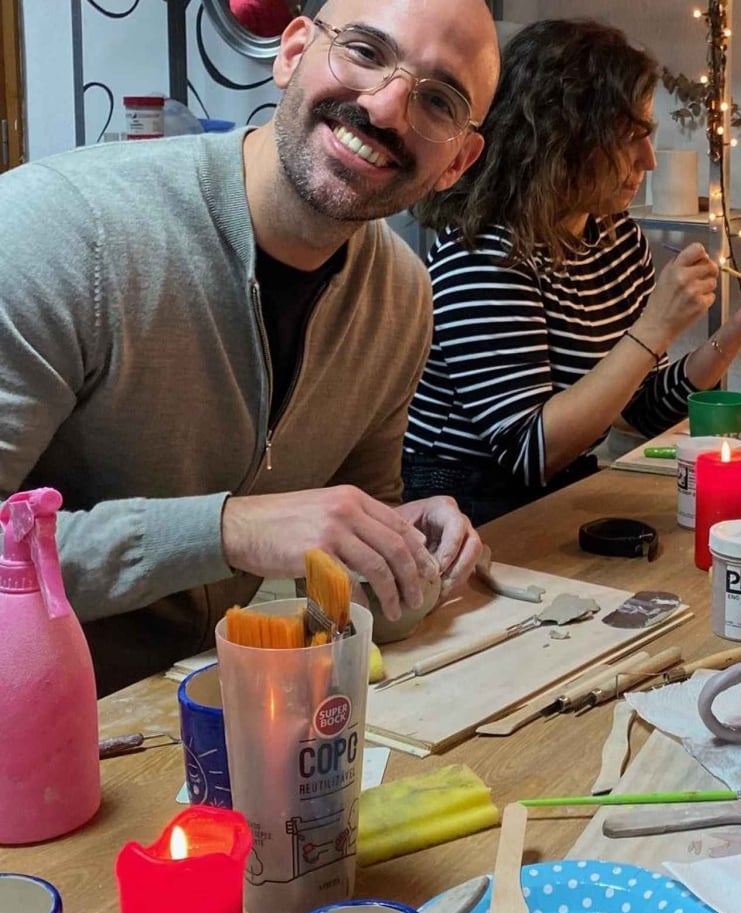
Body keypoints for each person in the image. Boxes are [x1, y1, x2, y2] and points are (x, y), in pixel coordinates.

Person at [0, 0, 500, 694]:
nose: (385, 109)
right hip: (37, 740)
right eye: (363, 51)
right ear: (293, 51)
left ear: (458, 163)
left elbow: (347, 589)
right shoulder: (58, 232)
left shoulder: (402, 299)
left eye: (439, 100)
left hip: (216, 723)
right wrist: (226, 530)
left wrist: (396, 545)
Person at [401, 19, 741, 525]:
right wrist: (655, 326)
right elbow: (529, 452)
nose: (649, 160)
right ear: (561, 140)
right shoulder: (482, 254)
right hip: (464, 508)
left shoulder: (612, 237)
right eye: (629, 138)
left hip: (562, 489)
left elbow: (643, 409)